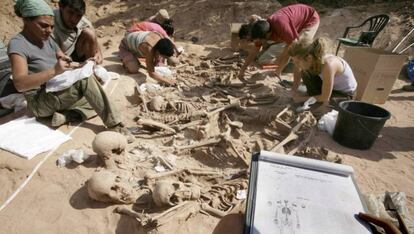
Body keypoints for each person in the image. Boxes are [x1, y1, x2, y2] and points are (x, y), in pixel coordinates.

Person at [8, 0, 134, 142]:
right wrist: (54, 71)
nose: (49, 30)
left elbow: (62, 57)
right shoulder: (18, 44)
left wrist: (81, 65)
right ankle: (116, 126)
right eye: (43, 26)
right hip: (40, 101)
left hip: (56, 90)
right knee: (87, 84)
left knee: (96, 97)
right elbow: (20, 84)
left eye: (51, 27)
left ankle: (67, 116)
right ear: (26, 20)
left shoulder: (46, 38)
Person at [238, 4, 320, 80]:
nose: (259, 43)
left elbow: (291, 47)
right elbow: (254, 51)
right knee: (287, 54)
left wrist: (277, 71)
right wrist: (242, 70)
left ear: (267, 36)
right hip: (292, 25)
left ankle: (310, 71)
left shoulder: (281, 26)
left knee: (299, 51)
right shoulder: (261, 29)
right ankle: (289, 66)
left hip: (310, 18)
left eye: (260, 41)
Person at [288, 38, 357, 115]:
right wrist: (294, 89)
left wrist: (301, 99)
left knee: (316, 112)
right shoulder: (312, 60)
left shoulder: (329, 65)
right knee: (304, 71)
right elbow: (298, 69)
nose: (296, 64)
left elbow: (325, 97)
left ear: (309, 58)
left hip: (343, 94)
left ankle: (317, 102)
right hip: (328, 88)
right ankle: (313, 98)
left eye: (297, 62)